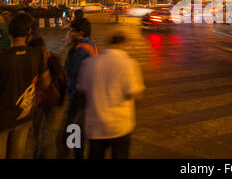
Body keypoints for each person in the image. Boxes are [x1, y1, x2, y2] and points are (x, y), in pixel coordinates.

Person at [78, 32, 145, 159]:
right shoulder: (128, 64)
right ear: (123, 44)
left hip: (95, 125)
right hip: (119, 126)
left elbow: (82, 89)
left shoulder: (89, 63)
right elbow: (135, 93)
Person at [0, 13, 51, 159]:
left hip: (2, 118)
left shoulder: (2, 58)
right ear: (29, 32)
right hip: (24, 115)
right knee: (17, 154)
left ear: (9, 32)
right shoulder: (37, 55)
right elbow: (46, 83)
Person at [28, 37, 69, 159]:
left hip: (54, 104)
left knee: (48, 134)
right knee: (37, 133)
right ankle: (39, 154)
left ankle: (45, 154)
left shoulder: (52, 61)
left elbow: (59, 83)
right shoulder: (46, 60)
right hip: (42, 103)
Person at [64, 17, 98, 159]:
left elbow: (70, 72)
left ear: (81, 32)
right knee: (78, 127)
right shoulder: (91, 44)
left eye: (72, 31)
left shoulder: (80, 50)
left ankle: (75, 154)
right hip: (86, 93)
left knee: (73, 127)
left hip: (78, 94)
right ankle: (78, 153)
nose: (69, 33)